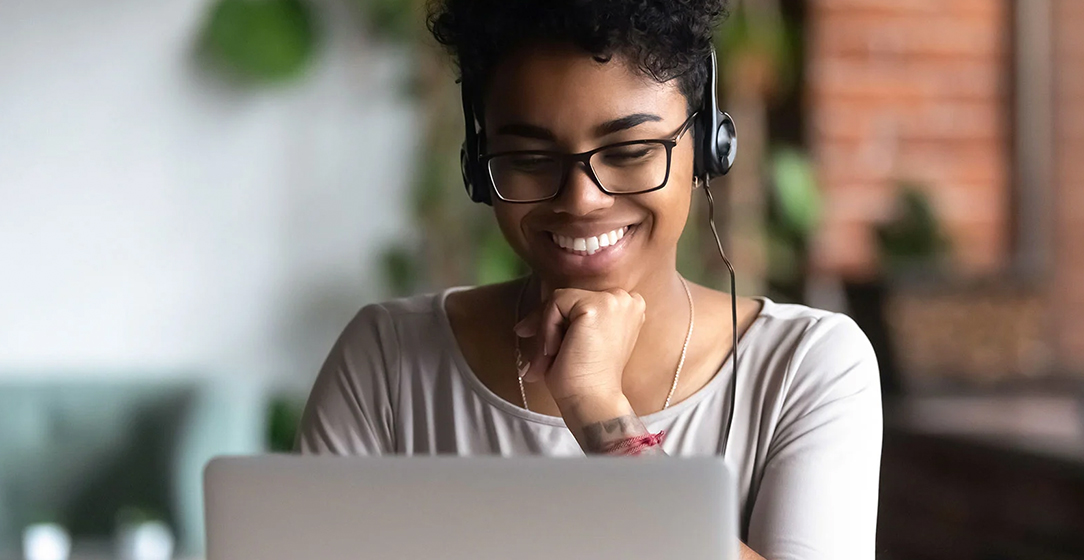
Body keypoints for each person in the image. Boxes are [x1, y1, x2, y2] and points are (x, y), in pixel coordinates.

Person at [296, 1, 882, 558]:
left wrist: (600, 411)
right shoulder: (387, 359)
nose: (581, 200)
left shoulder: (807, 367)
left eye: (629, 150)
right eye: (528, 159)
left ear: (706, 147)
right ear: (480, 166)